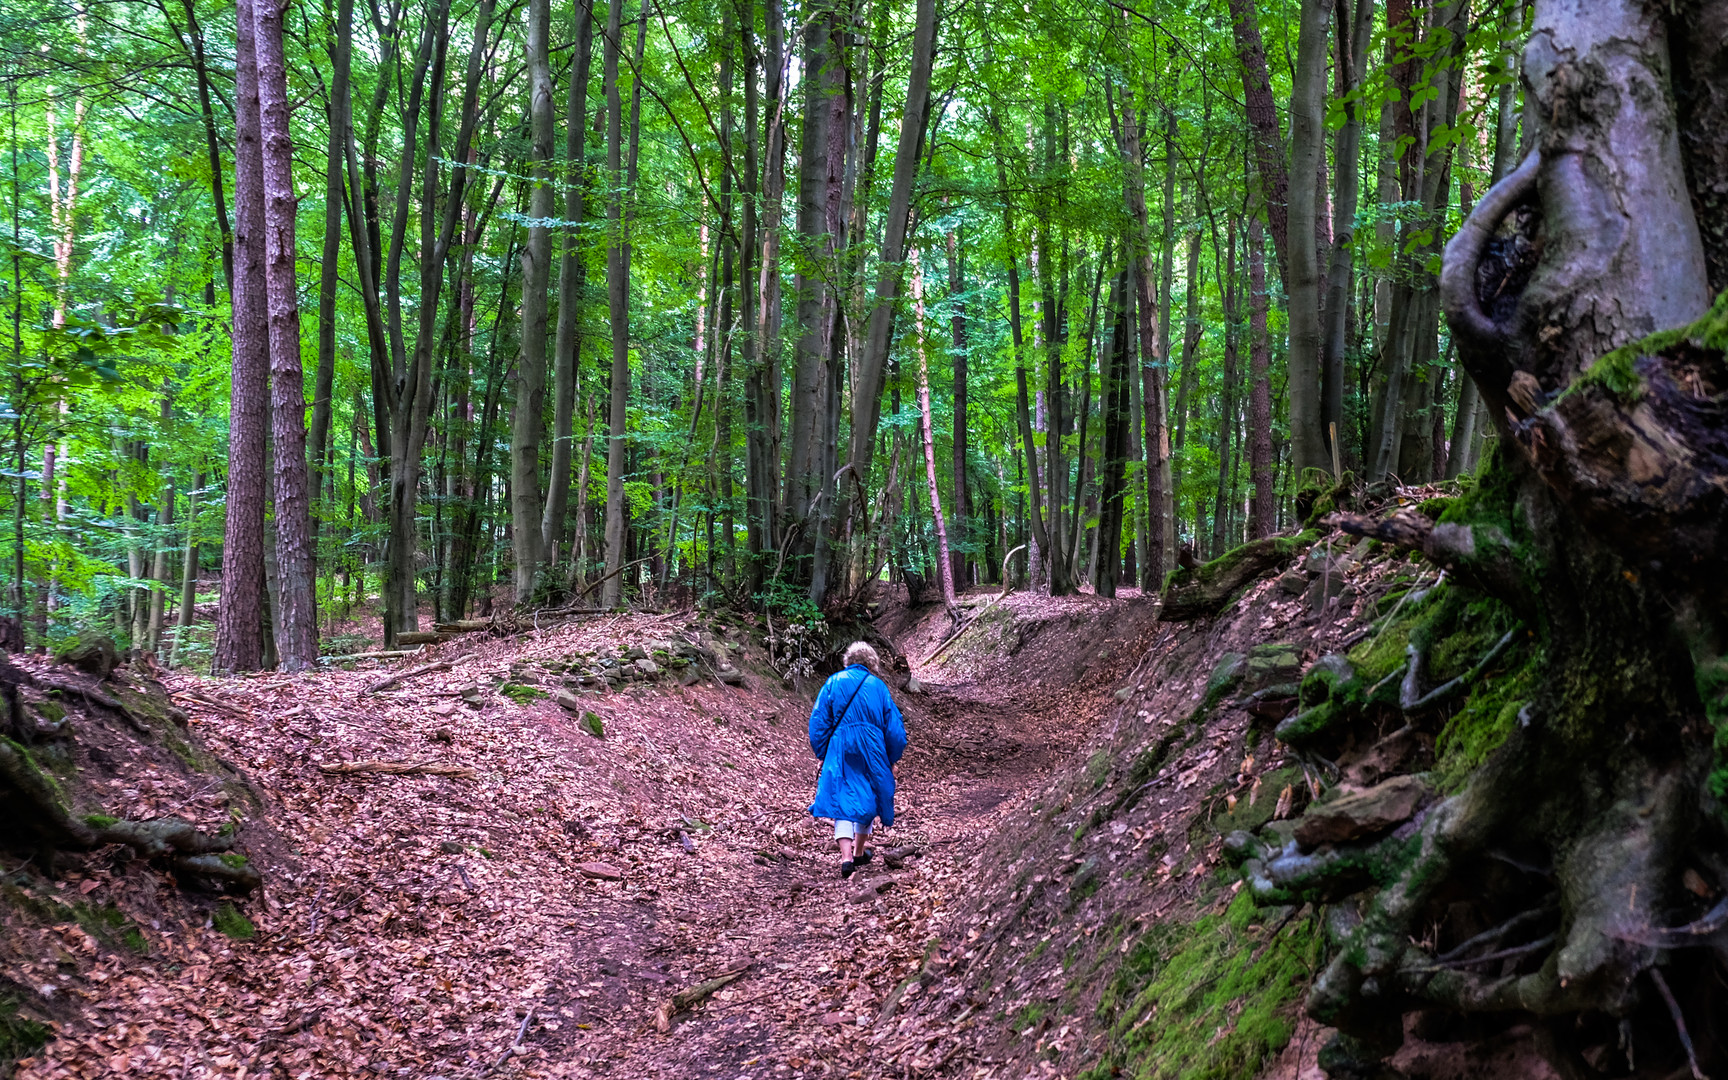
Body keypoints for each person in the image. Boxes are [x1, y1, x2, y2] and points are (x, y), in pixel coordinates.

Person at [808, 641, 907, 878]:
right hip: (872, 747)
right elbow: (894, 729)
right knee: (869, 795)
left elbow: (819, 721)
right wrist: (892, 758)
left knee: (842, 797)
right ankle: (860, 850)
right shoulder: (878, 687)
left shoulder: (833, 682)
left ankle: (846, 857)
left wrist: (823, 752)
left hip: (841, 745)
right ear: (871, 662)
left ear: (848, 660)